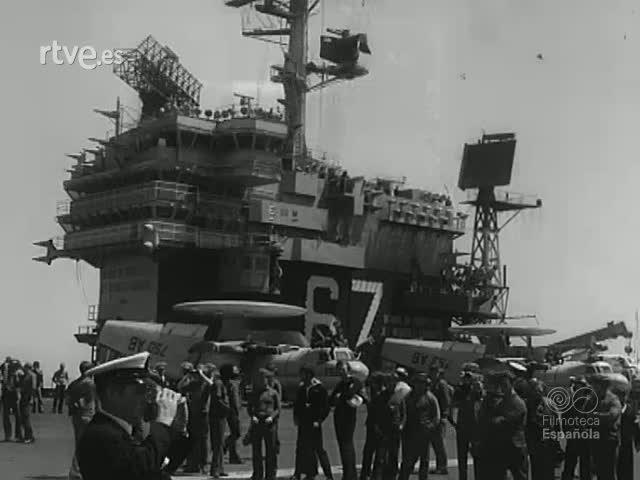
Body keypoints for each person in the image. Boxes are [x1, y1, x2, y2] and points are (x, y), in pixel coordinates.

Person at [77, 352, 184, 480]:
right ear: (112, 393)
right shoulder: (101, 434)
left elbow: (160, 467)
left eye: (148, 391)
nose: (146, 399)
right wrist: (162, 423)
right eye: (140, 390)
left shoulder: (125, 430)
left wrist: (178, 427)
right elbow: (140, 469)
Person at [475, 370, 528, 480]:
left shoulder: (517, 402)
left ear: (511, 384)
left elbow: (505, 421)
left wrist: (495, 420)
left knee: (520, 475)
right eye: (501, 384)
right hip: (503, 445)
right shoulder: (503, 401)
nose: (503, 387)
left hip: (516, 445)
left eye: (505, 384)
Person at [292, 365, 333, 480]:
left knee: (318, 449)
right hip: (303, 423)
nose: (301, 376)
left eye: (303, 374)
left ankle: (329, 475)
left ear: (309, 374)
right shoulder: (301, 388)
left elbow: (326, 407)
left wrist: (319, 420)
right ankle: (299, 473)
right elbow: (297, 404)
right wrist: (296, 417)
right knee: (301, 448)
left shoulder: (319, 389)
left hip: (314, 423)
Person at [398, 373, 440, 480]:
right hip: (409, 432)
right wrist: (401, 426)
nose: (420, 385)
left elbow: (436, 416)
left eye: (422, 383)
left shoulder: (430, 397)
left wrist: (430, 426)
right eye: (418, 383)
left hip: (424, 433)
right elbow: (401, 412)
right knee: (408, 460)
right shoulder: (408, 396)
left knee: (424, 460)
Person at [329, 361, 362, 480]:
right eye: (339, 369)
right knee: (342, 446)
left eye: (343, 369)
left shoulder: (355, 382)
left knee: (347, 445)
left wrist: (341, 397)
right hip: (339, 417)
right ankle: (348, 473)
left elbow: (351, 393)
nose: (341, 372)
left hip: (348, 417)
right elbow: (331, 399)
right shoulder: (340, 384)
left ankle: (350, 474)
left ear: (348, 369)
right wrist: (338, 398)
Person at [451, 363, 483, 480]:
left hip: (475, 426)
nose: (467, 379)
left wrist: (478, 389)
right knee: (462, 455)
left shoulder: (477, 389)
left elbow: (481, 402)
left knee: (477, 455)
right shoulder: (460, 390)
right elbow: (454, 404)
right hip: (462, 426)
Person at [248, 368, 280, 480]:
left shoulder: (273, 393)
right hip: (257, 422)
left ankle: (270, 474)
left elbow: (278, 409)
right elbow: (250, 407)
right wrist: (252, 416)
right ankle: (257, 473)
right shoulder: (254, 393)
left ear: (267, 379)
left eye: (263, 378)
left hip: (269, 423)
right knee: (256, 450)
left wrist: (271, 417)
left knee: (271, 450)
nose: (261, 381)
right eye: (259, 379)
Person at [67, 360, 96, 480]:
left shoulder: (75, 383)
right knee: (86, 444)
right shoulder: (90, 384)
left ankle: (79, 471)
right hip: (87, 415)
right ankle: (77, 472)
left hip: (77, 417)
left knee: (79, 443)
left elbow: (68, 398)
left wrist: (74, 406)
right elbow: (86, 401)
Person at [590, 374, 622, 480]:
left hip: (609, 440)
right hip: (596, 440)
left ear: (603, 385)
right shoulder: (594, 399)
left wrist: (595, 416)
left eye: (596, 385)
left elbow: (612, 415)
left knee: (609, 472)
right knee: (598, 471)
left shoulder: (613, 399)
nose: (594, 388)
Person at [206, 364, 230, 478]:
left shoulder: (221, 383)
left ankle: (220, 468)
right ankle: (215, 469)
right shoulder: (218, 384)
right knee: (217, 443)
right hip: (217, 416)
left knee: (220, 443)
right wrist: (227, 408)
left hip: (220, 415)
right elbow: (218, 398)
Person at [428, 366, 451, 475]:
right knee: (435, 442)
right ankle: (439, 466)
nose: (433, 374)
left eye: (435, 372)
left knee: (439, 443)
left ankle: (443, 466)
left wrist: (444, 416)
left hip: (440, 417)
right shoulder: (432, 384)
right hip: (433, 417)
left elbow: (446, 401)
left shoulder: (441, 384)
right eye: (431, 371)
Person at [221, 364, 243, 464]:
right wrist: (236, 409)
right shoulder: (233, 384)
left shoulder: (230, 383)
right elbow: (234, 399)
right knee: (236, 433)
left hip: (231, 410)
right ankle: (225, 445)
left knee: (235, 433)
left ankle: (233, 455)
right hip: (233, 410)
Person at [1, 358, 23, 441]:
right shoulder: (17, 371)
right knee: (16, 415)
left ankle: (9, 435)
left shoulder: (14, 373)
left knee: (8, 415)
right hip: (11, 394)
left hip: (10, 394)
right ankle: (17, 435)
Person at [18, 363, 36, 443]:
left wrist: (32, 399)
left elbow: (33, 388)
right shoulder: (24, 375)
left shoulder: (32, 376)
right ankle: (26, 435)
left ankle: (29, 436)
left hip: (28, 398)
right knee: (23, 417)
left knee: (26, 417)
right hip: (23, 397)